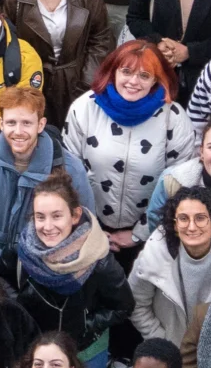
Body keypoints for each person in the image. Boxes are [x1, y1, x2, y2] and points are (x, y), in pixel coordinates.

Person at [65, 41, 195, 249]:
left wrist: (140, 233)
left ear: (156, 79)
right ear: (113, 71)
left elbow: (179, 183)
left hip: (152, 234)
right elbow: (70, 173)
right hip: (89, 227)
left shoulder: (174, 117)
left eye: (144, 75)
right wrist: (87, 227)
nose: (133, 81)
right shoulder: (85, 108)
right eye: (126, 72)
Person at [1, 172, 131, 368]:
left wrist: (86, 323)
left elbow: (123, 306)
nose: (48, 226)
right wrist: (20, 309)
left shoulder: (98, 259)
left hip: (83, 352)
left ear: (75, 215)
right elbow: (3, 279)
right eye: (40, 217)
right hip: (33, 347)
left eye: (57, 216)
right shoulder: (20, 250)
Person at [0, 85, 89, 249]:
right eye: (11, 122)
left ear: (41, 124)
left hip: (44, 256)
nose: (18, 131)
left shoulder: (69, 167)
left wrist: (41, 259)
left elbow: (82, 224)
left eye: (26, 123)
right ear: (1, 123)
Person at [128, 187, 211, 352]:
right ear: (174, 225)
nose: (192, 227)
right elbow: (136, 303)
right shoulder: (153, 256)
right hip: (170, 349)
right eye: (183, 218)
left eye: (200, 218)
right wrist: (161, 341)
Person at [6, 0, 111, 122]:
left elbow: (101, 40)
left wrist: (85, 84)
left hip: (78, 85)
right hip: (31, 87)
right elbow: (9, 49)